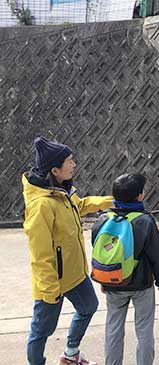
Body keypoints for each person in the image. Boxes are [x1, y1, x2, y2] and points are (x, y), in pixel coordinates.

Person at [23, 137, 114, 365]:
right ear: (55, 169)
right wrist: (49, 288)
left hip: (74, 273)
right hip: (52, 283)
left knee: (88, 306)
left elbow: (80, 205)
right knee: (42, 330)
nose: (74, 164)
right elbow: (39, 254)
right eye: (69, 161)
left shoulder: (62, 191)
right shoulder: (41, 205)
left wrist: (109, 202)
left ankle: (70, 354)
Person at [92, 173, 159, 365]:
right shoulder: (145, 221)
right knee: (144, 329)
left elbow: (99, 250)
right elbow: (156, 254)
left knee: (113, 328)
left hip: (114, 282)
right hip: (142, 284)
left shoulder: (102, 219)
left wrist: (104, 279)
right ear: (140, 196)